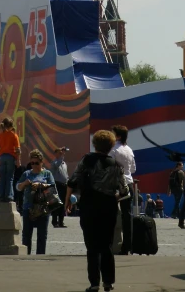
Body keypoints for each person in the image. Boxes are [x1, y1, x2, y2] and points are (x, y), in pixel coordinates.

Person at [66, 129, 128, 292]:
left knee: (92, 246)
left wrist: (67, 202)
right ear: (111, 146)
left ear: (95, 144)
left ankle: (94, 283)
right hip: (108, 206)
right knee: (107, 244)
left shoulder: (87, 160)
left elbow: (72, 181)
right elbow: (124, 191)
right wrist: (113, 196)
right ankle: (108, 281)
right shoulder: (116, 165)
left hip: (89, 205)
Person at [16, 149, 56, 256]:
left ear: (41, 162)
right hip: (28, 207)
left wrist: (41, 185)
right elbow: (18, 187)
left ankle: (40, 256)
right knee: (26, 234)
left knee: (42, 235)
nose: (34, 165)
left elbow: (53, 188)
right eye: (32, 163)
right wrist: (25, 183)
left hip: (43, 208)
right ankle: (26, 256)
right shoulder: (26, 173)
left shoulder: (47, 174)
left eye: (36, 163)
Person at [109, 125, 135, 255]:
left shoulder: (113, 149)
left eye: (112, 133)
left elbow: (109, 166)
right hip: (129, 183)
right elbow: (134, 169)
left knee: (111, 213)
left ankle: (112, 243)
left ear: (118, 136)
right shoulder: (129, 149)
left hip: (116, 184)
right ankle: (127, 246)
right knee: (127, 215)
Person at [0, 117, 21, 202]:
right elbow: (18, 150)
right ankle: (9, 196)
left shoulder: (0, 135)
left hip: (2, 157)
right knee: (9, 178)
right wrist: (18, 160)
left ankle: (1, 196)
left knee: (2, 178)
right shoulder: (14, 135)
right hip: (10, 157)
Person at [50, 147, 69, 229]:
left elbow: (66, 174)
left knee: (63, 204)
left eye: (62, 153)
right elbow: (57, 165)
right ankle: (55, 222)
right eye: (59, 153)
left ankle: (61, 221)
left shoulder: (64, 163)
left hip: (64, 185)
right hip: (57, 185)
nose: (62, 154)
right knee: (57, 203)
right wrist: (61, 156)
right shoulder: (54, 162)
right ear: (56, 154)